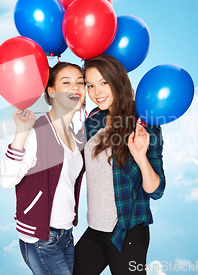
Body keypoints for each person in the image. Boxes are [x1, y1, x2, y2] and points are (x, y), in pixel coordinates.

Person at [73, 54, 165, 275]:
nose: (97, 92)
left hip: (128, 232)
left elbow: (157, 190)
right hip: (96, 228)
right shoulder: (94, 119)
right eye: (91, 85)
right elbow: (71, 158)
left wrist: (141, 156)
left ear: (118, 80)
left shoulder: (142, 123)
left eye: (104, 82)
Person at [0, 62, 86, 275]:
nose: (75, 88)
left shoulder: (77, 137)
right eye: (66, 83)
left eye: (80, 83)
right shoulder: (37, 130)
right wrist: (21, 132)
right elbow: (6, 180)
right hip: (41, 238)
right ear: (52, 92)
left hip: (66, 235)